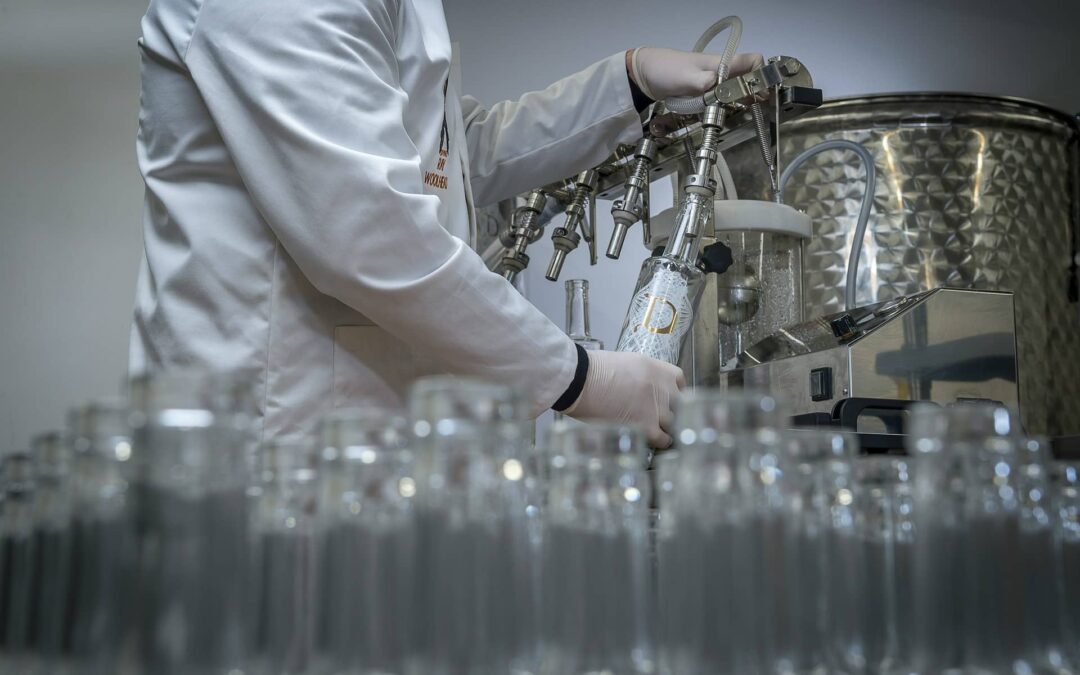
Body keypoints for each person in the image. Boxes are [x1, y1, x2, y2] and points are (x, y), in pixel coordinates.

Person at [131, 0, 761, 447]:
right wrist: (581, 379)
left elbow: (448, 157)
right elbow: (367, 233)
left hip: (350, 431)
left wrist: (624, 85)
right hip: (272, 432)